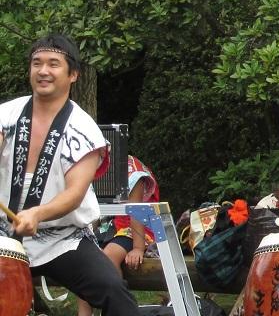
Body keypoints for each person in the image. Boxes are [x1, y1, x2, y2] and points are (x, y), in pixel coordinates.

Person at [0, 33, 137, 315]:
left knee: (113, 290)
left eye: (53, 64)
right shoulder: (7, 115)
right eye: (37, 63)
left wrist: (37, 214)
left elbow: (74, 195)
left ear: (73, 74)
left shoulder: (83, 130)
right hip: (4, 234)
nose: (43, 71)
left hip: (62, 240)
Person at [79, 155, 160, 316]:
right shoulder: (89, 164)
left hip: (140, 228)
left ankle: (117, 310)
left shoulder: (132, 172)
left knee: (110, 255)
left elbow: (136, 212)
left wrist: (138, 248)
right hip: (111, 226)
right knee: (82, 259)